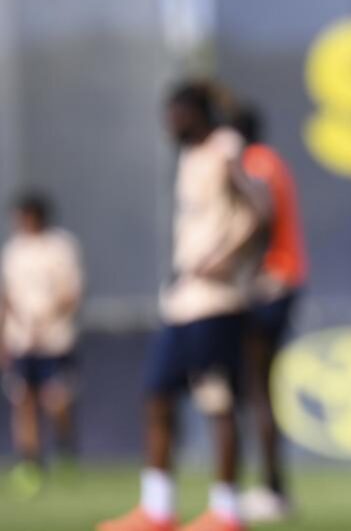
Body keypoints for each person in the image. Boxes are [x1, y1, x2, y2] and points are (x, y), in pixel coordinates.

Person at [99, 82, 267, 531]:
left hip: (217, 303)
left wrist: (228, 261)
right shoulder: (191, 156)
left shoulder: (224, 148)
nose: (171, 122)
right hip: (183, 301)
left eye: (179, 113)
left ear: (200, 113)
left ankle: (226, 511)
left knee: (217, 400)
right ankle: (157, 508)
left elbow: (260, 209)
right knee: (156, 394)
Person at [230, 106, 308, 523]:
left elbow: (262, 218)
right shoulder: (272, 161)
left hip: (270, 285)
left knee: (256, 387)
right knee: (259, 387)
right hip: (285, 280)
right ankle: (271, 485)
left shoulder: (254, 164)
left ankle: (271, 487)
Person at [0, 191, 83, 497]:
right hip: (21, 341)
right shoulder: (13, 251)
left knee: (56, 400)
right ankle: (31, 463)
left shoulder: (62, 246)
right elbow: (7, 297)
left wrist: (45, 320)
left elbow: (72, 293)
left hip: (55, 340)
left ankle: (65, 449)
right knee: (23, 401)